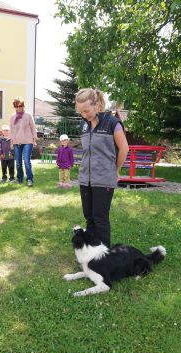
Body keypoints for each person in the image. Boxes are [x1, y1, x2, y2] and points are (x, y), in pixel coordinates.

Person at [75, 88, 129, 248]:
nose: (84, 115)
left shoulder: (112, 123)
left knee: (100, 218)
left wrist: (116, 170)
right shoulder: (83, 125)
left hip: (104, 179)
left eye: (86, 110)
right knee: (89, 218)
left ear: (97, 105)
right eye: (81, 112)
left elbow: (124, 148)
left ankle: (104, 257)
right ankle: (92, 254)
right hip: (85, 179)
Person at [9, 97, 37, 187]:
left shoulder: (28, 115)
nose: (18, 108)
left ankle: (29, 179)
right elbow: (12, 130)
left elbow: (33, 128)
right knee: (18, 162)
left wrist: (34, 140)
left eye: (20, 106)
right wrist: (11, 142)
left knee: (26, 161)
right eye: (16, 106)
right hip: (17, 142)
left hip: (28, 141)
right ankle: (20, 179)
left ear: (23, 105)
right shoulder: (13, 117)